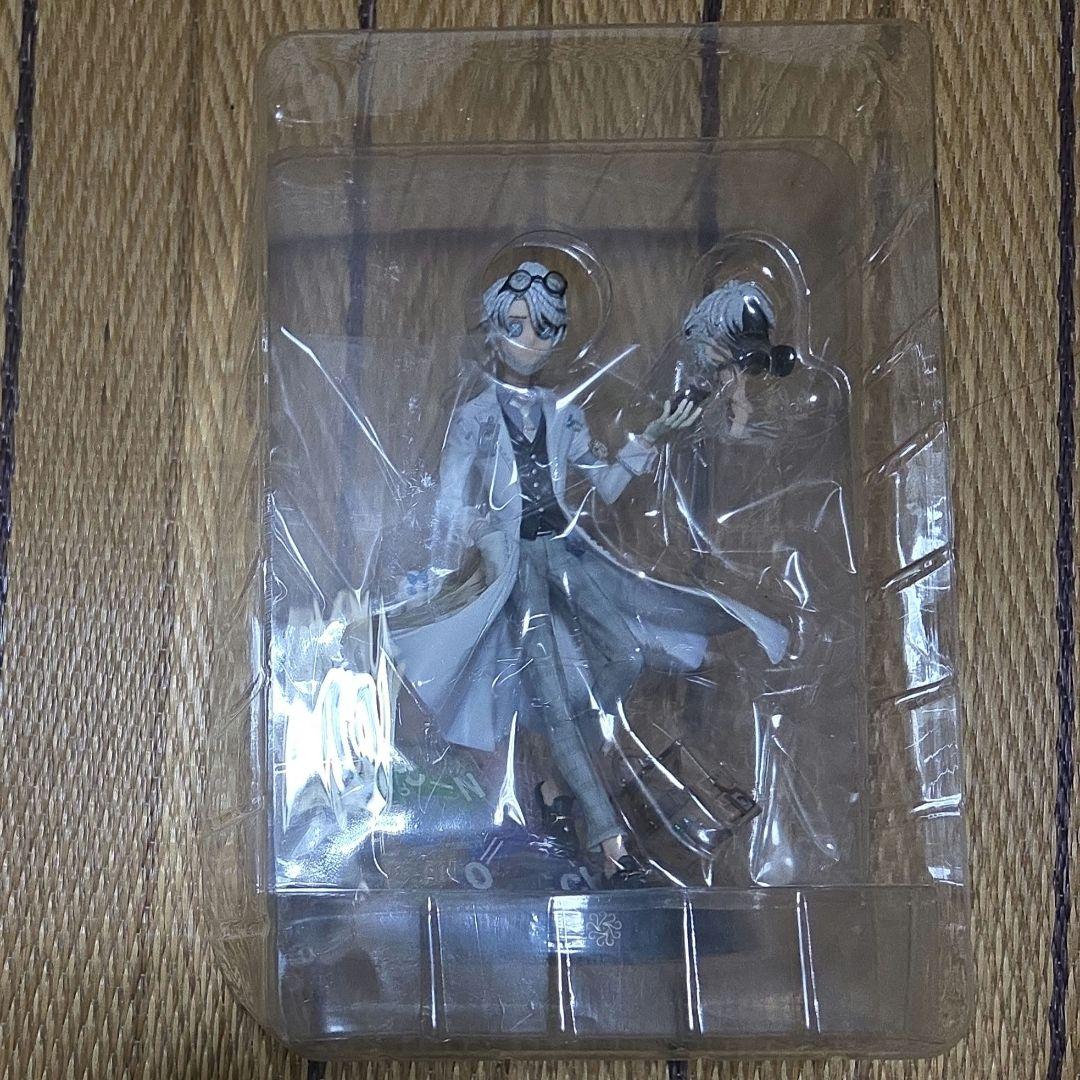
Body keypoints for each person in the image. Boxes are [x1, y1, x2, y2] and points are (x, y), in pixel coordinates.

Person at [388, 261, 789, 887]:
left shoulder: (564, 414)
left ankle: (557, 773)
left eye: (544, 329)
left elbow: (603, 486)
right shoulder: (473, 419)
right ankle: (609, 840)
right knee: (550, 692)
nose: (530, 340)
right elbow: (447, 506)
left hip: (568, 554)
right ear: (492, 329)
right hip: (514, 568)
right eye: (516, 326)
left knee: (625, 653)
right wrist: (456, 561)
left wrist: (650, 436)